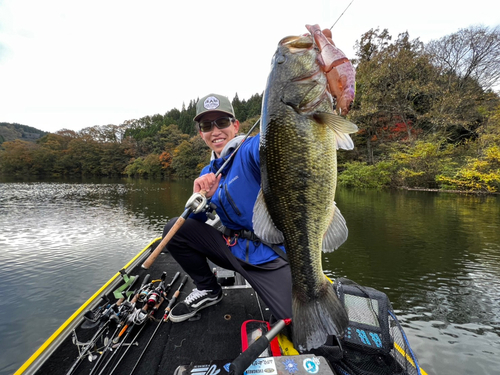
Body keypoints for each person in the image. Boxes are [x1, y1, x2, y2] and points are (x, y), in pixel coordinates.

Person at [164, 93, 292, 323]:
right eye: (206, 125)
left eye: (222, 122)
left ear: (235, 125)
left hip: (269, 254)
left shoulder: (251, 148)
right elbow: (198, 220)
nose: (215, 131)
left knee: (297, 323)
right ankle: (208, 290)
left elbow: (272, 145)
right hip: (231, 249)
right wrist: (198, 200)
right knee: (175, 229)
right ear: (201, 133)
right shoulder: (207, 172)